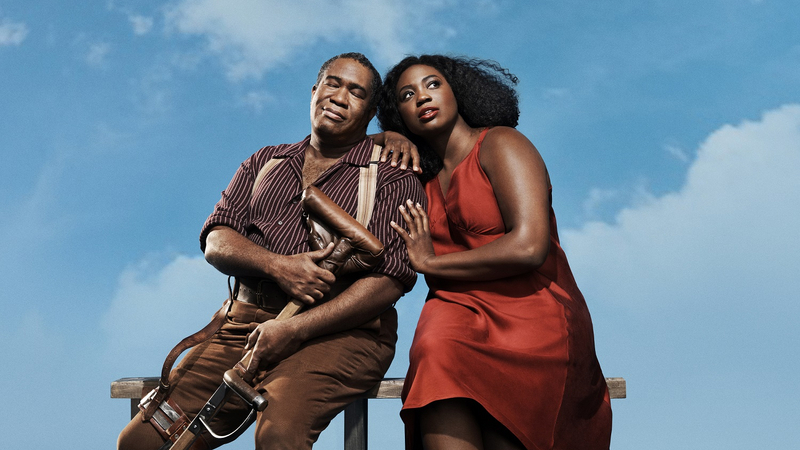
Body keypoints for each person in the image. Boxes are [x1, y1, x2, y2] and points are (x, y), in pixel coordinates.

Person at [117, 52, 425, 450]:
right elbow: (216, 240)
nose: (338, 96)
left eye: (356, 92)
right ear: (314, 91)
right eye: (332, 83)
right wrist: (278, 266)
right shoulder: (264, 161)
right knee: (141, 440)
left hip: (339, 335)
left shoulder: (392, 176)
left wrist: (293, 328)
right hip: (241, 327)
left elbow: (390, 282)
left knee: (278, 434)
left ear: (370, 114)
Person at [378, 55, 613, 450]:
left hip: (533, 314)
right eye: (407, 95)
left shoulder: (501, 143)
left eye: (432, 85)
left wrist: (430, 262)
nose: (422, 97)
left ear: (458, 92)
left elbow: (529, 246)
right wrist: (383, 138)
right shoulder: (420, 180)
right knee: (435, 349)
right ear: (399, 114)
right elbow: (339, 148)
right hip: (457, 314)